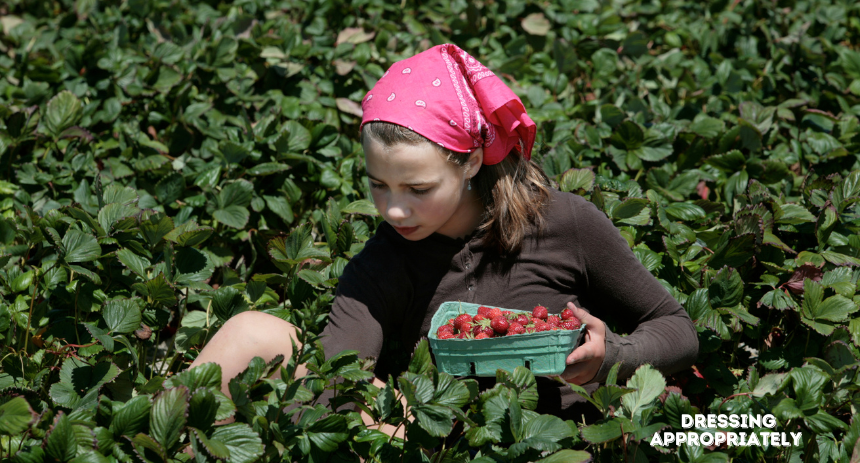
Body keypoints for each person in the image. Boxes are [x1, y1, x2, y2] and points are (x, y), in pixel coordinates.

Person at [190, 44, 699, 426]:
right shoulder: (382, 262)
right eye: (377, 185)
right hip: (437, 440)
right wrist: (391, 410)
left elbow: (676, 327)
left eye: (418, 187)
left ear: (471, 160)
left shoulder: (565, 223)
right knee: (250, 333)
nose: (393, 208)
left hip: (554, 441)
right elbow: (338, 373)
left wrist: (607, 360)